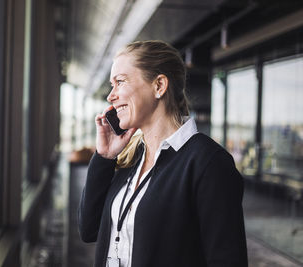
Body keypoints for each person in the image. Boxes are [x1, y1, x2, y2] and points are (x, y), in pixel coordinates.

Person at [78, 40, 248, 267]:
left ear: (159, 85)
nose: (111, 96)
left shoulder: (209, 163)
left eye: (120, 82)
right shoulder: (132, 158)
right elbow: (88, 229)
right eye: (112, 84)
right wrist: (104, 157)